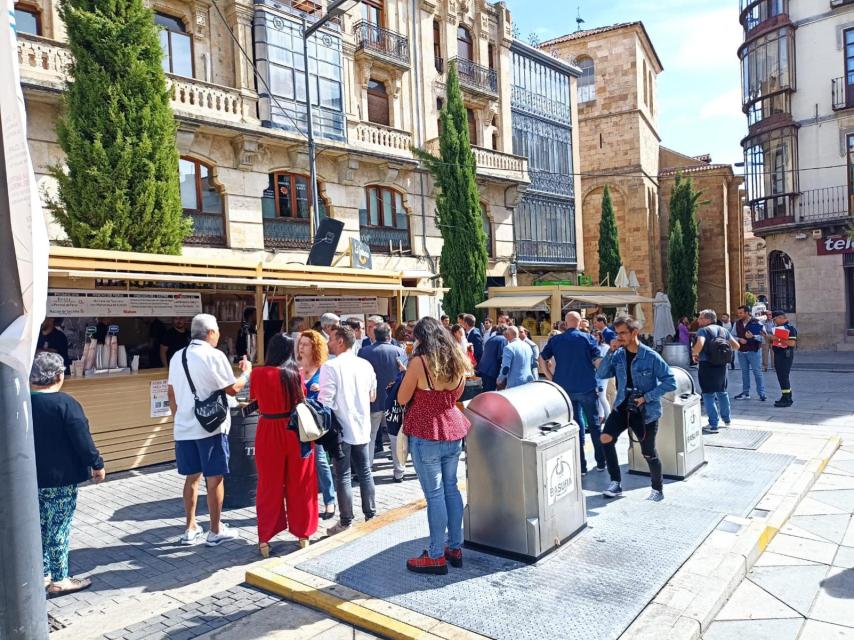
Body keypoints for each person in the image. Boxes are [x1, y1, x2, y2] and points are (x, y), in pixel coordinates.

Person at [167, 314, 251, 546]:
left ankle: (190, 527)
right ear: (211, 333)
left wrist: (179, 418)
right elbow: (233, 389)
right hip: (211, 427)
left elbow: (171, 393)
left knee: (191, 478)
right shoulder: (214, 355)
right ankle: (215, 530)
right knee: (215, 478)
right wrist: (246, 373)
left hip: (184, 427)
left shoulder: (177, 356)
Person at [398, 317, 471, 574]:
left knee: (435, 494)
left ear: (421, 338)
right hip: (453, 428)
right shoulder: (458, 358)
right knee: (451, 488)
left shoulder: (419, 362)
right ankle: (455, 547)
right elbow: (457, 394)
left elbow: (402, 397)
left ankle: (436, 554)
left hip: (426, 431)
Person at [30, 352, 106, 598]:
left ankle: (42, 573)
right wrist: (96, 464)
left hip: (29, 478)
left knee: (39, 526)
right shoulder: (66, 403)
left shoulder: (20, 403)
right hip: (61, 479)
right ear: (59, 375)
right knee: (59, 527)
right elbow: (82, 438)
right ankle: (60, 578)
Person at [251, 334, 317, 557]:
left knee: (268, 485)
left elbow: (255, 399)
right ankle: (303, 534)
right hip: (295, 430)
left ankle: (265, 539)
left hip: (267, 430)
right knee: (301, 483)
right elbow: (302, 400)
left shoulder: (258, 373)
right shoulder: (294, 374)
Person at [596, 316, 676, 502]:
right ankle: (615, 482)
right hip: (622, 406)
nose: (619, 337)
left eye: (623, 333)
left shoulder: (650, 356)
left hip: (645, 412)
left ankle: (657, 488)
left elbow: (670, 382)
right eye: (617, 333)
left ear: (635, 333)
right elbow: (602, 373)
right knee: (605, 438)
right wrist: (610, 352)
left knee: (648, 452)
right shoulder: (618, 355)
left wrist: (646, 397)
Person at [318, 326, 378, 534]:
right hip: (361, 425)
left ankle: (345, 521)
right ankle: (370, 514)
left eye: (331, 339)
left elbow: (325, 401)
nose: (328, 343)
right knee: (365, 471)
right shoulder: (365, 365)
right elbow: (372, 396)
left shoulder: (330, 366)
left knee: (343, 475)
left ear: (341, 341)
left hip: (340, 428)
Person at [539, 311, 605, 474]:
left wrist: (550, 377)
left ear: (566, 322)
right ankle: (601, 462)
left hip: (565, 389)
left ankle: (581, 466)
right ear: (579, 322)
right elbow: (597, 361)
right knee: (594, 425)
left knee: (575, 426)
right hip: (587, 386)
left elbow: (541, 358)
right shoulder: (588, 338)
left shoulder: (556, 340)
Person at [360, 323, 408, 480]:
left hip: (372, 400)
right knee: (396, 437)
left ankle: (367, 469)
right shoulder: (399, 351)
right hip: (394, 400)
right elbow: (405, 376)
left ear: (375, 335)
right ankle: (399, 471)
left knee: (370, 436)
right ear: (389, 335)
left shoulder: (364, 352)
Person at [297, 330, 337, 521]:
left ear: (315, 347)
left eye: (306, 344)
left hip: (316, 423)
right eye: (300, 343)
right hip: (299, 422)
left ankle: (330, 500)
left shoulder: (324, 370)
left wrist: (322, 389)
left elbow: (334, 393)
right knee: (302, 461)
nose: (301, 347)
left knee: (320, 460)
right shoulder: (297, 370)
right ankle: (305, 502)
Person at [692, 309, 740, 434]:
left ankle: (713, 424)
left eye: (701, 318)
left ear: (708, 319)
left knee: (708, 394)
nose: (698, 320)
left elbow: (700, 343)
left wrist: (694, 353)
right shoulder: (723, 330)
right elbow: (736, 346)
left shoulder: (703, 330)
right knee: (722, 392)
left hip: (707, 365)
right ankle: (727, 420)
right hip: (722, 366)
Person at [733, 305, 766, 401]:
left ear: (747, 313)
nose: (739, 315)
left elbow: (764, 338)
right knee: (744, 373)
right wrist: (739, 339)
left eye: (741, 313)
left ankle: (761, 393)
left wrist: (753, 337)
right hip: (741, 352)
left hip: (753, 352)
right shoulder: (737, 323)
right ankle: (745, 393)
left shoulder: (757, 322)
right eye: (738, 313)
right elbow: (732, 336)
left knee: (757, 372)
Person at [769, 310, 798, 407]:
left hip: (785, 355)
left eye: (775, 319)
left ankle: (787, 399)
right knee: (781, 377)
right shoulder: (777, 328)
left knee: (784, 376)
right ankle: (785, 396)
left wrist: (777, 339)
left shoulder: (790, 328)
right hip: (778, 354)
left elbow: (792, 343)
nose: (774, 322)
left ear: (781, 318)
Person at [477, 324, 507, 392]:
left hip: (483, 370)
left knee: (485, 392)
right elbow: (501, 357)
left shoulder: (491, 338)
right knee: (490, 393)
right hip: (491, 372)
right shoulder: (503, 340)